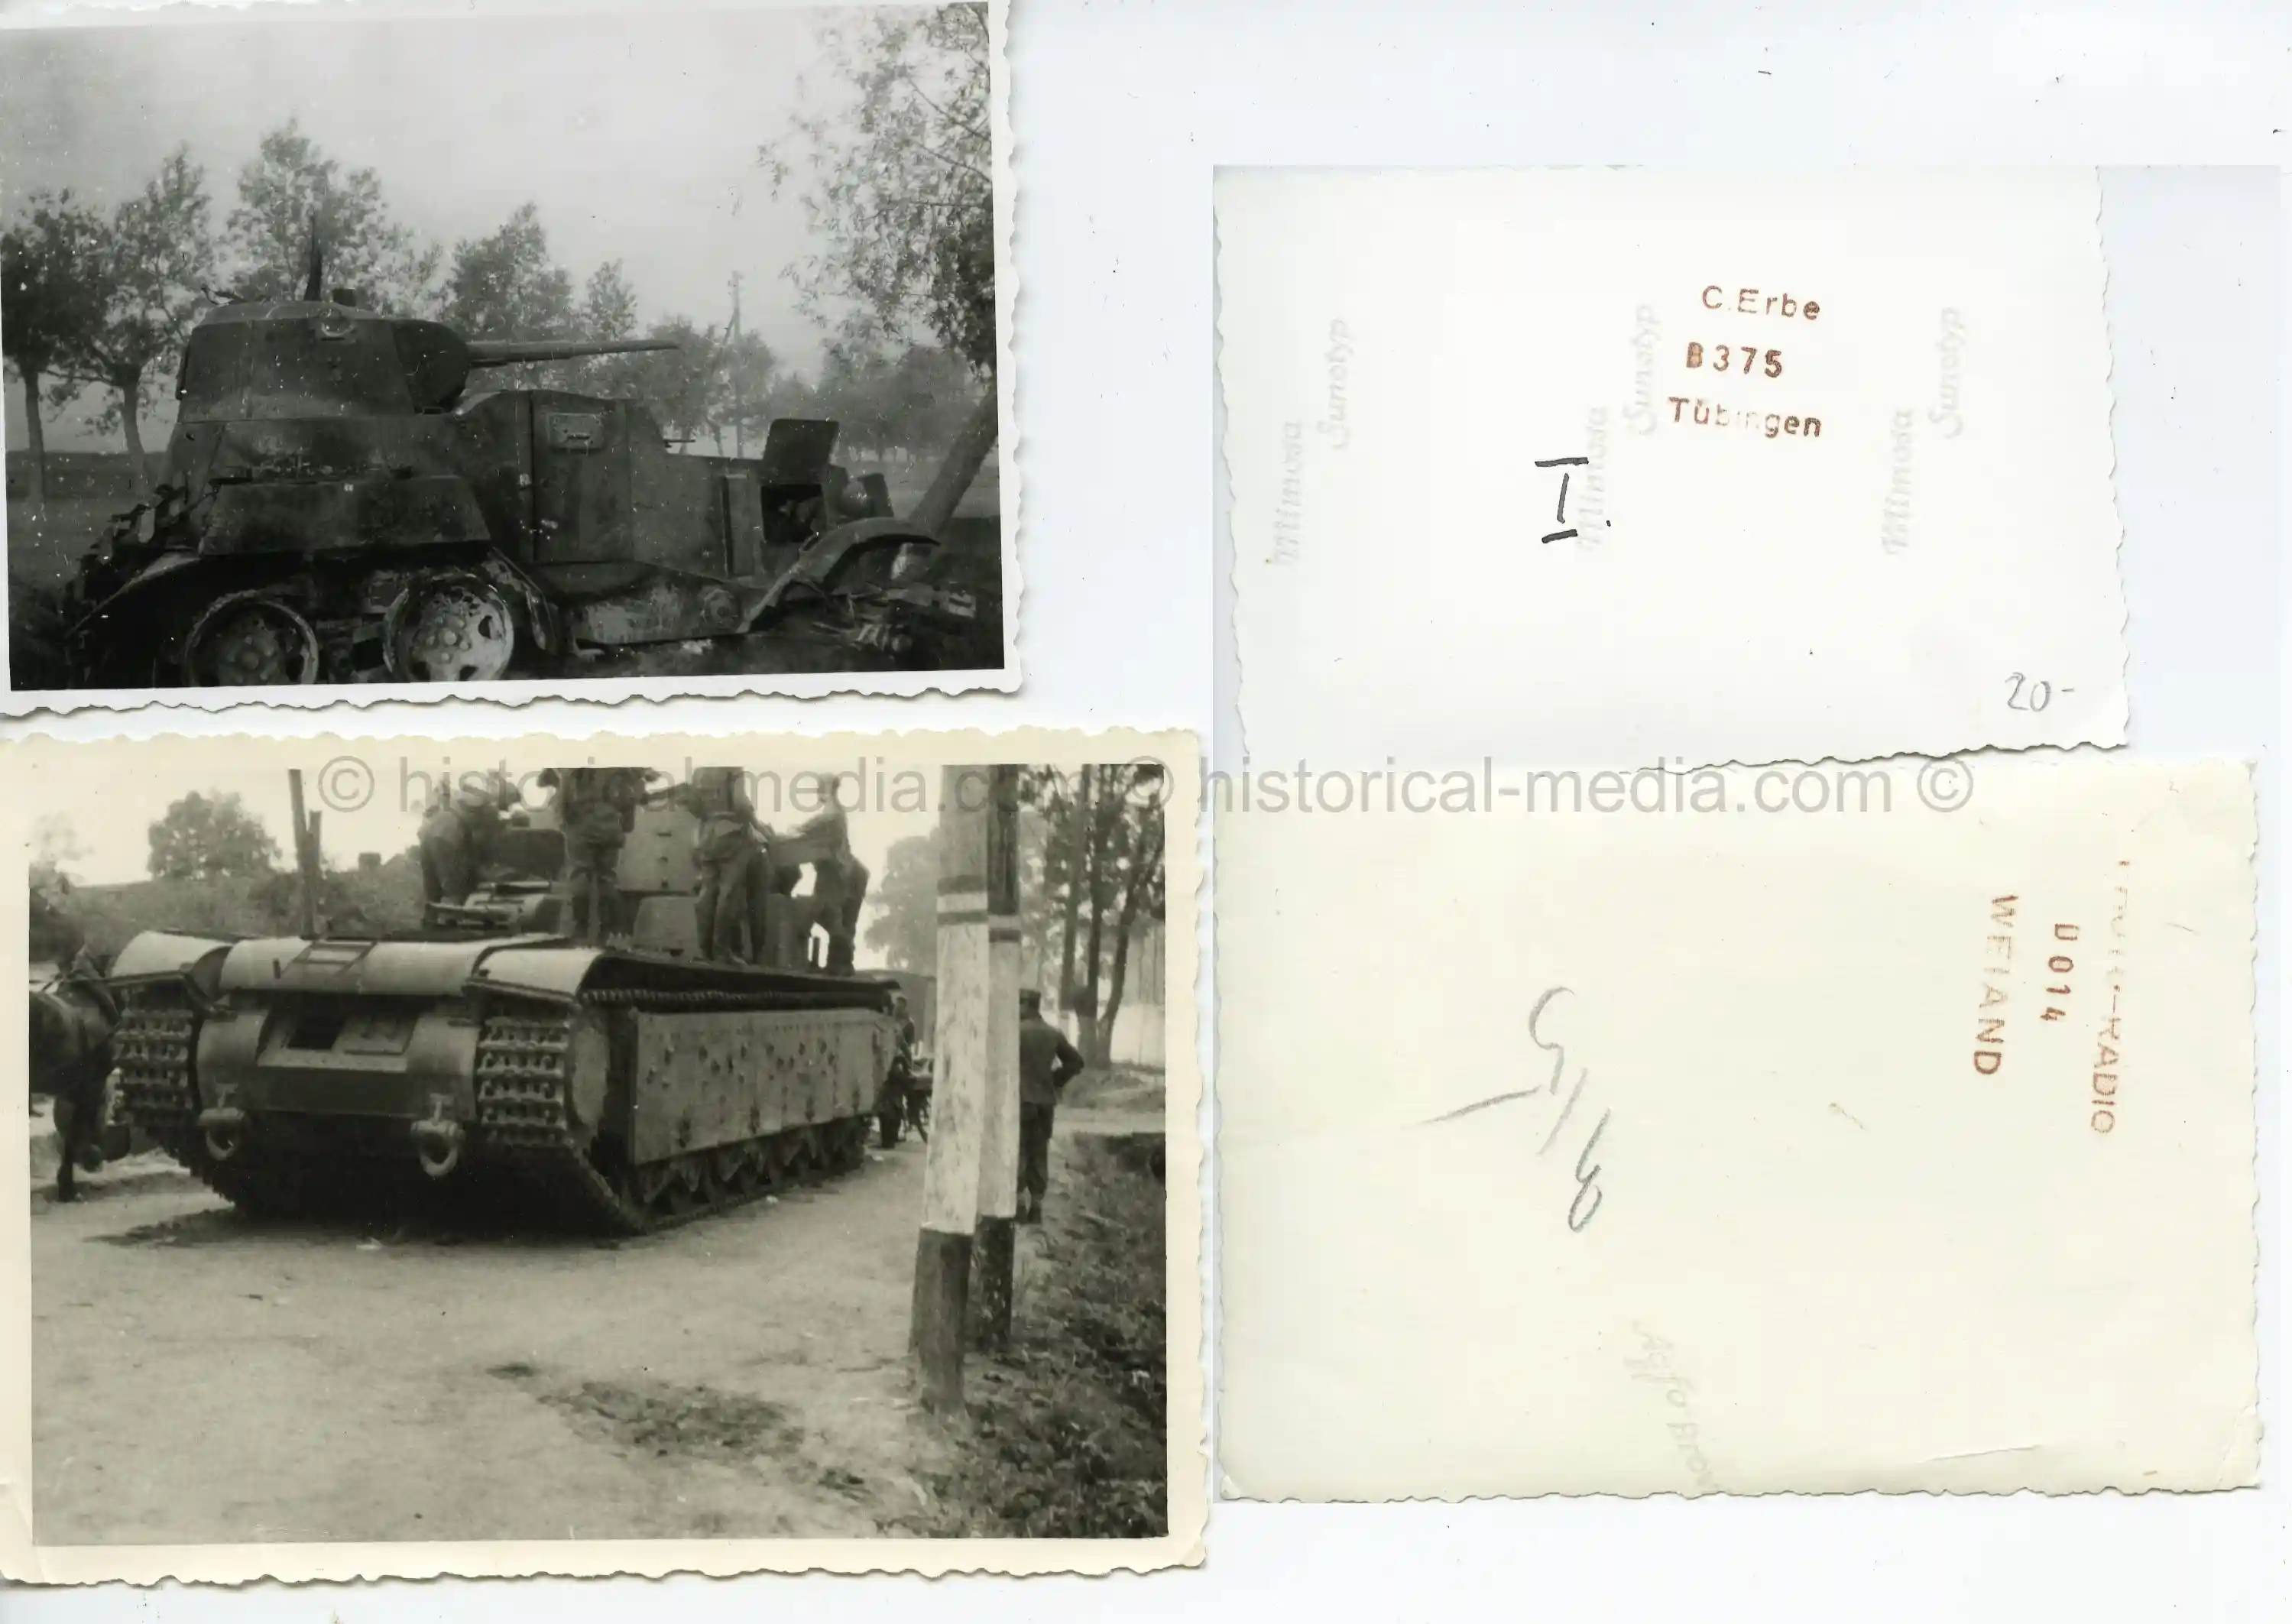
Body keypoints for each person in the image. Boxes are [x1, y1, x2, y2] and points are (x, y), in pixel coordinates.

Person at [550, 767, 653, 943]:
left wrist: (563, 821)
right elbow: (629, 797)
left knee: (580, 875)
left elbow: (564, 793)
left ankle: (580, 930)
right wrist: (626, 825)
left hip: (581, 826)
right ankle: (610, 932)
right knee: (608, 879)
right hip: (610, 827)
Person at [679, 767, 768, 963]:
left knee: (707, 893)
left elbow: (694, 805)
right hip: (732, 834)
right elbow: (741, 804)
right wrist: (758, 826)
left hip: (708, 835)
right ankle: (722, 950)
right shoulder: (732, 767)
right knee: (729, 892)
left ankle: (705, 950)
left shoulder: (701, 770)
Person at [1016, 988, 1086, 1224]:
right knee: (1039, 1151)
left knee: (1017, 1149)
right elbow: (1076, 1062)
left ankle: (1017, 1205)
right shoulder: (1053, 1033)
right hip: (1045, 1102)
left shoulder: (1014, 1032)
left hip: (1020, 1101)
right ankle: (1036, 1207)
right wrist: (1055, 1080)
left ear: (1025, 1005)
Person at [418, 769, 519, 906]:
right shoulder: (489, 810)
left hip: (429, 833)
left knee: (433, 889)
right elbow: (484, 843)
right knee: (455, 889)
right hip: (448, 836)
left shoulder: (467, 798)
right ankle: (454, 923)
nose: (508, 808)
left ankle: (431, 923)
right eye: (510, 803)